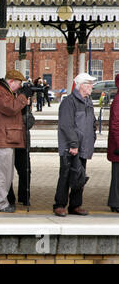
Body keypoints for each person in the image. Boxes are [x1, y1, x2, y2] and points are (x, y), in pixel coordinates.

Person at [0, 70, 32, 213]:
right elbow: (10, 108)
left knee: (6, 173)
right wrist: (23, 97)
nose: (19, 86)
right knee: (2, 174)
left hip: (6, 138)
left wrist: (22, 98)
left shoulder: (5, 91)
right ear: (11, 82)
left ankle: (3, 202)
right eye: (18, 83)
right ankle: (0, 203)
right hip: (1, 139)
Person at [53, 73, 97, 217]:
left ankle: (75, 205)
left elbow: (92, 123)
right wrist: (73, 143)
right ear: (81, 86)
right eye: (89, 83)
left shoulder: (88, 102)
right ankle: (59, 205)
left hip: (83, 146)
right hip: (70, 147)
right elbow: (66, 125)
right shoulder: (69, 102)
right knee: (65, 175)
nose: (91, 86)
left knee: (79, 175)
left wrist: (93, 137)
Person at [7, 100, 35, 207]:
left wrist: (26, 108)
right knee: (8, 172)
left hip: (23, 143)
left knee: (25, 171)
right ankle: (10, 198)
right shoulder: (8, 103)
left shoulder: (25, 107)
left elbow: (30, 122)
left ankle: (24, 197)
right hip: (9, 142)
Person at [107, 74, 119, 213]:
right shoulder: (118, 101)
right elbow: (115, 125)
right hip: (117, 147)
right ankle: (115, 202)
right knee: (116, 176)